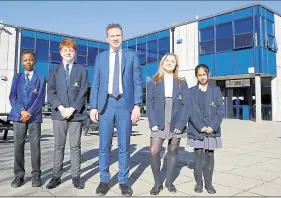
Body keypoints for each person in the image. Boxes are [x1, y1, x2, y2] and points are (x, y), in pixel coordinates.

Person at [89, 23, 143, 197]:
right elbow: (95, 83)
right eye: (112, 35)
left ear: (122, 36)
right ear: (107, 38)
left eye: (118, 35)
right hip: (105, 105)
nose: (115, 38)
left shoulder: (131, 56)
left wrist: (137, 105)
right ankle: (104, 180)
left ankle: (123, 181)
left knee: (124, 147)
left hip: (124, 105)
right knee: (104, 146)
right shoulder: (101, 57)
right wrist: (93, 106)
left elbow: (137, 82)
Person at [46, 38, 89, 189]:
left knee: (75, 146)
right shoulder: (54, 70)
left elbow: (84, 90)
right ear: (60, 52)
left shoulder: (82, 70)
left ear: (75, 52)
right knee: (59, 146)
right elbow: (51, 91)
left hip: (76, 114)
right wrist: (60, 107)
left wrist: (73, 108)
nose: (68, 52)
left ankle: (76, 176)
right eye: (65, 50)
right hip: (59, 114)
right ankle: (56, 176)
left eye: (71, 50)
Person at [146, 53, 189, 195]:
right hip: (158, 119)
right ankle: (157, 183)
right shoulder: (153, 81)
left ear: (176, 65)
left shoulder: (181, 82)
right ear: (162, 62)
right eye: (168, 61)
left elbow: (186, 105)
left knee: (172, 150)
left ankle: (169, 182)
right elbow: (149, 104)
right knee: (154, 151)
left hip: (177, 119)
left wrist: (181, 124)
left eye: (173, 61)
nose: (170, 63)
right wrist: (152, 122)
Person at [8, 50, 46, 188]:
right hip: (18, 116)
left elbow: (41, 98)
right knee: (18, 146)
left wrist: (29, 112)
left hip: (34, 117)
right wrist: (22, 111)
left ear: (34, 60)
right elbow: (12, 97)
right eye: (25, 60)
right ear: (21, 62)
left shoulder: (41, 78)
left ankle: (36, 175)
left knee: (35, 147)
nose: (28, 62)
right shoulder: (17, 78)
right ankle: (19, 175)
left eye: (30, 59)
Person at [187, 64, 224, 194]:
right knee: (197, 155)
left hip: (212, 130)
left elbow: (220, 110)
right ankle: (199, 184)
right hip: (197, 129)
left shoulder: (216, 90)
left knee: (209, 155)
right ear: (196, 76)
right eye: (200, 75)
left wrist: (212, 127)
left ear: (209, 74)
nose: (202, 77)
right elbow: (189, 111)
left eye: (204, 74)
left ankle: (209, 184)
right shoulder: (190, 91)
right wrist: (200, 126)